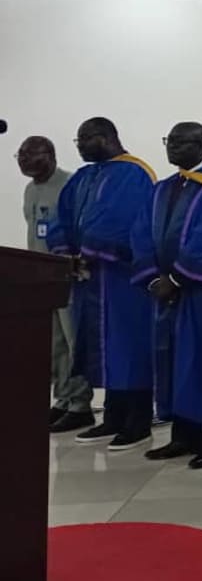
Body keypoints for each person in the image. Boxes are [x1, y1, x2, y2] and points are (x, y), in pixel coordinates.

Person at [132, 123, 202, 470]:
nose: (172, 148)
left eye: (180, 142)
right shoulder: (162, 188)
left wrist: (176, 279)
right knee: (172, 364)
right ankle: (182, 435)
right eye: (169, 141)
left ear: (201, 144)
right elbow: (140, 232)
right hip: (167, 296)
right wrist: (152, 278)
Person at [47, 118, 156, 450]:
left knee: (128, 347)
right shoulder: (84, 176)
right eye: (77, 139)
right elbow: (62, 216)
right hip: (89, 279)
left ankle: (137, 420)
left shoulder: (134, 173)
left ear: (106, 138)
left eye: (84, 139)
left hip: (123, 279)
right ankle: (112, 416)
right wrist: (66, 251)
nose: (78, 146)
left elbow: (124, 221)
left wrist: (92, 250)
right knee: (101, 348)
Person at [19, 135, 94, 432]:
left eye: (30, 154)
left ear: (49, 154)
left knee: (74, 340)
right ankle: (63, 398)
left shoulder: (71, 184)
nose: (24, 160)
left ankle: (81, 404)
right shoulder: (29, 189)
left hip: (68, 276)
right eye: (20, 155)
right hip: (40, 278)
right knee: (55, 343)